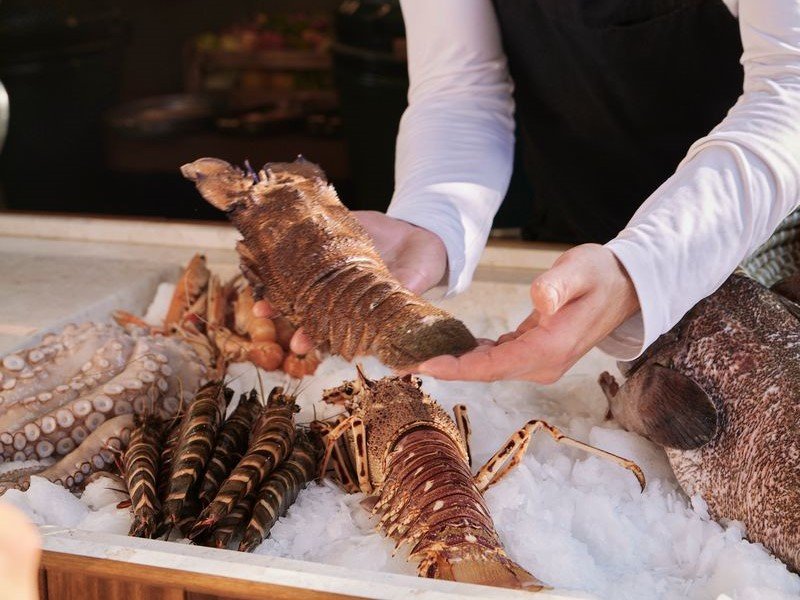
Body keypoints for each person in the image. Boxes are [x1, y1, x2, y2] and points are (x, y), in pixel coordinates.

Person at [257, 0, 800, 382]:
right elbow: (461, 87)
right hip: (576, 238)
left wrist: (646, 266)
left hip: (761, 233)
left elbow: (790, 91)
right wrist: (430, 220)